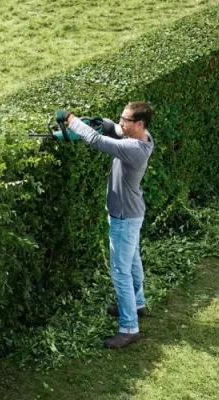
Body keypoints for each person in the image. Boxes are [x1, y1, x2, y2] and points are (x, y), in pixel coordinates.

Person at [55, 102, 155, 349]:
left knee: (120, 271)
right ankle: (138, 303)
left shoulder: (134, 148)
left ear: (139, 124)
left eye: (126, 120)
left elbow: (98, 142)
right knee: (131, 260)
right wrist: (105, 123)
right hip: (132, 212)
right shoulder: (144, 136)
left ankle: (129, 327)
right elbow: (115, 131)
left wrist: (71, 120)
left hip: (123, 216)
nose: (121, 123)